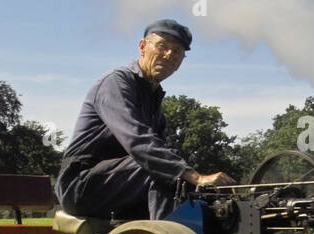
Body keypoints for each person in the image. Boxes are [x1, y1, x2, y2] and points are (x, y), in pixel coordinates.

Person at [56, 19, 236, 220]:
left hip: (121, 182)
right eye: (162, 46)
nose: (169, 55)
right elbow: (138, 141)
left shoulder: (153, 96)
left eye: (177, 52)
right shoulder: (116, 82)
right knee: (165, 172)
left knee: (184, 182)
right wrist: (196, 177)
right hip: (80, 186)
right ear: (142, 47)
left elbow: (161, 150)